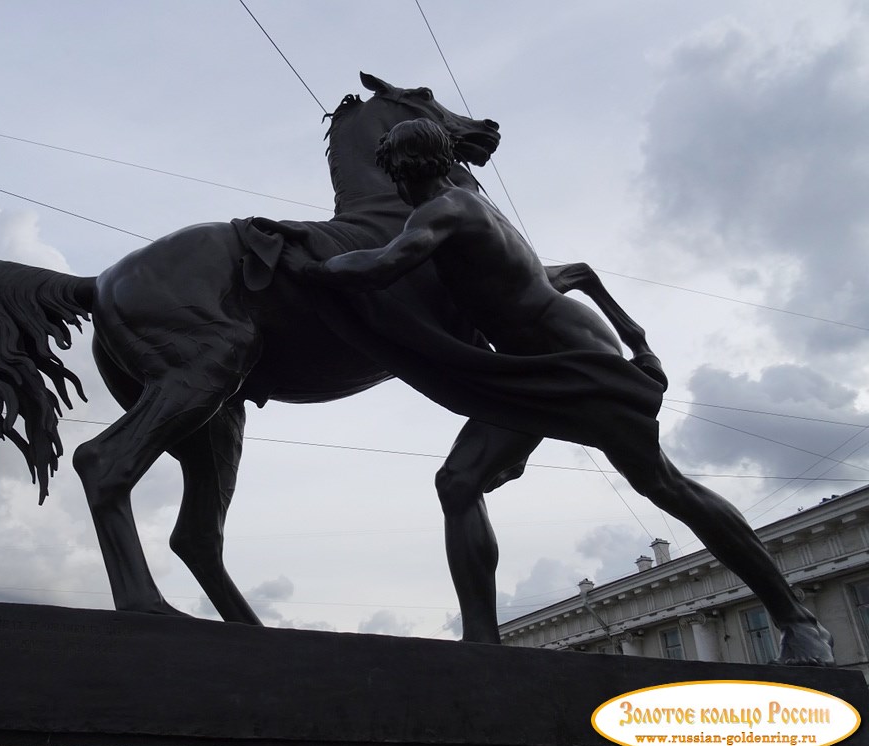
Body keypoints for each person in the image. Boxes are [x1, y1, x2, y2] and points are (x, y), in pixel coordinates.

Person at [287, 117, 834, 665]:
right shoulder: (470, 211)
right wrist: (638, 339)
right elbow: (572, 273)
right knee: (458, 482)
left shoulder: (444, 211)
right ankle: (481, 645)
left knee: (662, 484)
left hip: (577, 360)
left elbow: (384, 265)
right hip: (531, 367)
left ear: (402, 173)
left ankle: (797, 618)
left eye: (396, 179)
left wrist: (313, 267)